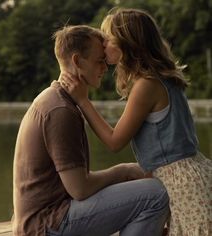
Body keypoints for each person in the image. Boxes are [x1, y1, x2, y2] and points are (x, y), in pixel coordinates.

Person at [60, 8, 212, 236]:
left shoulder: (146, 85)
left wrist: (83, 101)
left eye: (108, 40)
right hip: (191, 176)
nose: (103, 45)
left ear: (127, 43)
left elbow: (114, 141)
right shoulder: (162, 77)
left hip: (183, 186)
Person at [12, 25, 170, 236]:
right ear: (77, 61)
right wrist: (123, 171)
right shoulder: (60, 110)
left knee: (140, 192)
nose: (105, 67)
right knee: (156, 194)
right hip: (46, 225)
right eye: (99, 61)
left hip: (48, 217)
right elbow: (80, 189)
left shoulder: (55, 99)